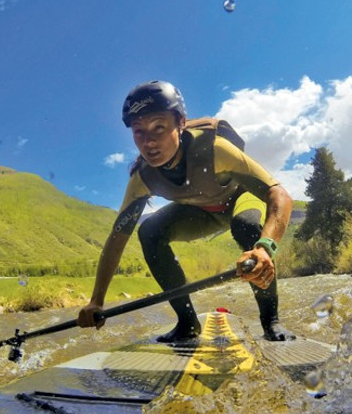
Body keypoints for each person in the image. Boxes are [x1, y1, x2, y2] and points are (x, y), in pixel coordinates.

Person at [77, 80, 295, 342]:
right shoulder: (142, 179)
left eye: (159, 127)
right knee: (149, 232)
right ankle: (188, 323)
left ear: (180, 123)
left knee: (246, 226)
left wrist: (265, 247)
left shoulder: (215, 149)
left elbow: (278, 195)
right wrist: (96, 301)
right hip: (200, 213)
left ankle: (271, 321)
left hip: (239, 199)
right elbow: (117, 239)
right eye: (139, 132)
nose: (149, 142)